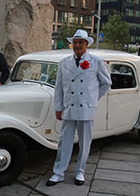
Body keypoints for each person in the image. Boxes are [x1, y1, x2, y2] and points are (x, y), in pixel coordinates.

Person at [46, 29, 111, 186]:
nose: (77, 45)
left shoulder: (95, 61)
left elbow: (106, 82)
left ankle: (80, 171)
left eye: (80, 42)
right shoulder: (64, 63)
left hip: (86, 108)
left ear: (86, 44)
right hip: (68, 107)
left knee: (85, 142)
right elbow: (59, 88)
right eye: (75, 42)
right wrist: (58, 107)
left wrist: (93, 97)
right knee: (64, 142)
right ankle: (58, 172)